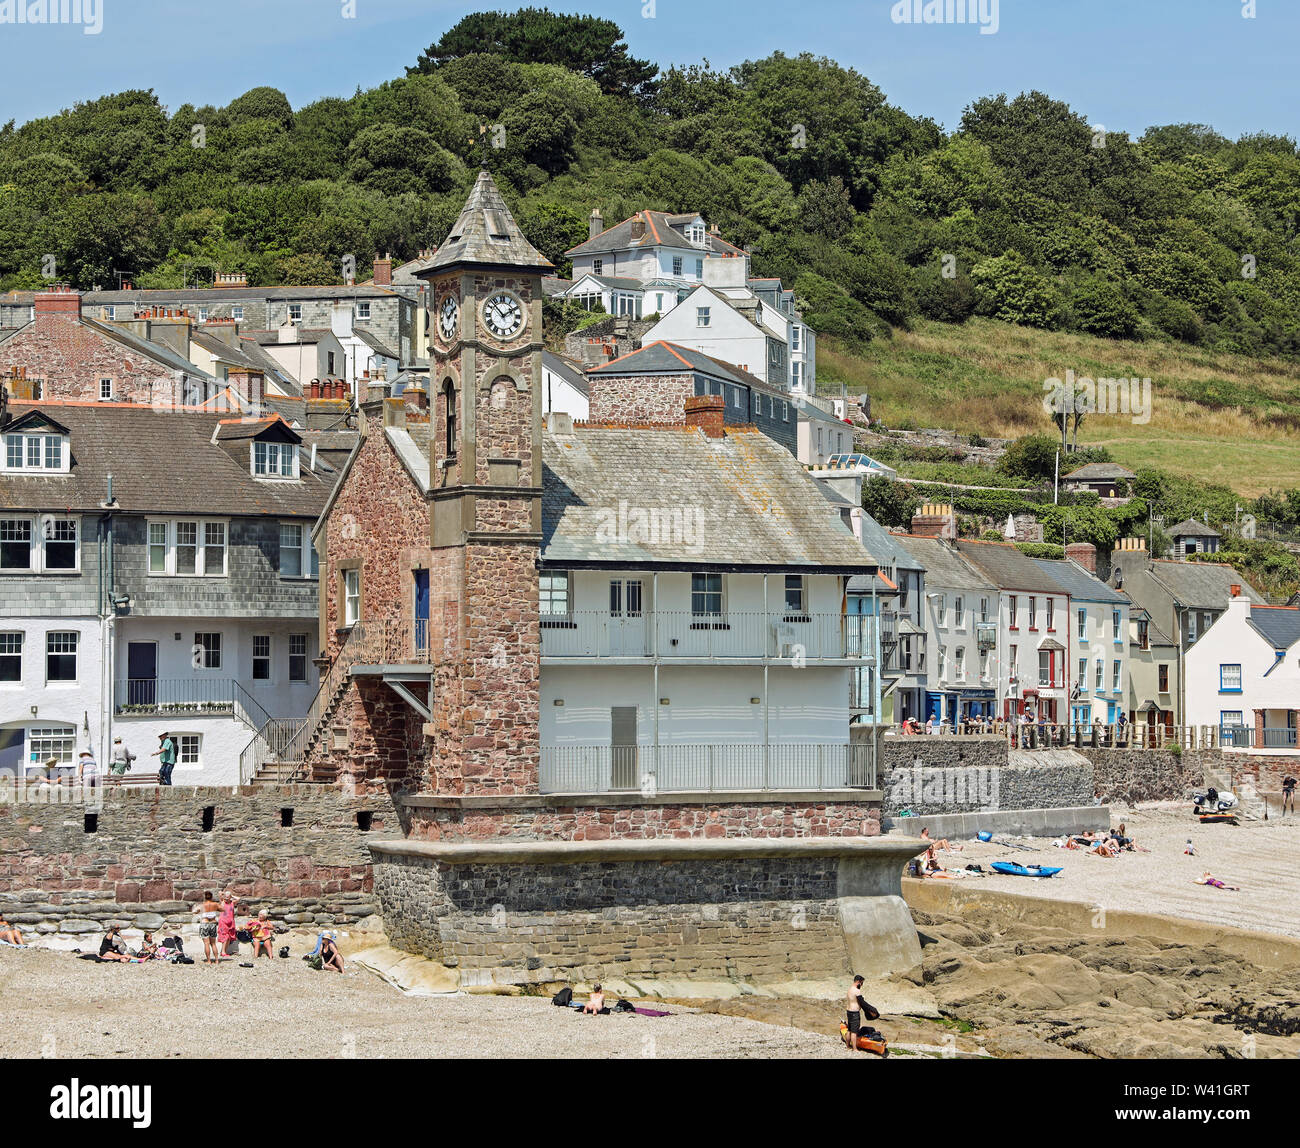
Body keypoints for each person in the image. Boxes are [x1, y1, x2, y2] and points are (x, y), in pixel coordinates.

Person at [844, 974, 876, 1049]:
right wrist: (872, 1010)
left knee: (849, 1030)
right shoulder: (857, 991)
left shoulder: (849, 989)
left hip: (849, 1011)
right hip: (855, 1013)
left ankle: (848, 1046)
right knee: (854, 1032)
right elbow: (863, 1003)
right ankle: (854, 1049)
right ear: (858, 982)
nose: (861, 985)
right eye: (861, 983)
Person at [196, 891, 221, 964]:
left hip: (205, 923)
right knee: (213, 943)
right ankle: (216, 960)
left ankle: (209, 960)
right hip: (213, 923)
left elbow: (195, 911)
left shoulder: (202, 905)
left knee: (206, 943)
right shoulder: (215, 905)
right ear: (212, 897)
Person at [217, 891, 239, 958]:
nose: (226, 898)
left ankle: (224, 952)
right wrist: (223, 894)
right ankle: (223, 952)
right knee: (225, 937)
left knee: (229, 938)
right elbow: (219, 893)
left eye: (227, 897)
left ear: (230, 897)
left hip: (231, 922)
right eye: (225, 897)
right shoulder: (223, 902)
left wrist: (232, 896)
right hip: (223, 922)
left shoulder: (232, 902)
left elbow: (238, 898)